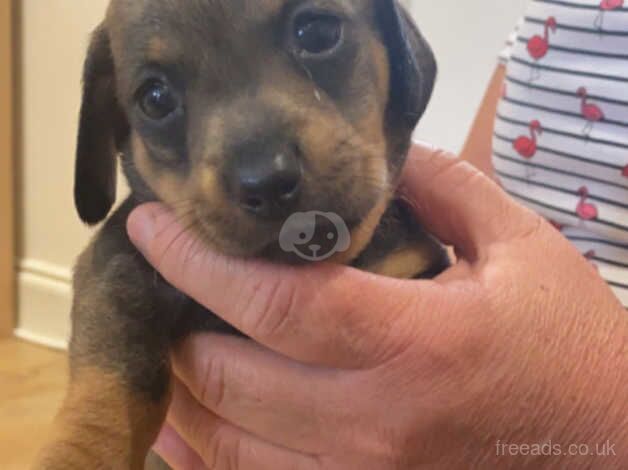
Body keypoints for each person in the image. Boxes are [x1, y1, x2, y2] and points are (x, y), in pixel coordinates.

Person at [127, 2, 628, 468]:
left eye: (315, 34)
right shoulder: (553, 15)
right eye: (157, 99)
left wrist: (594, 421)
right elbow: (483, 220)